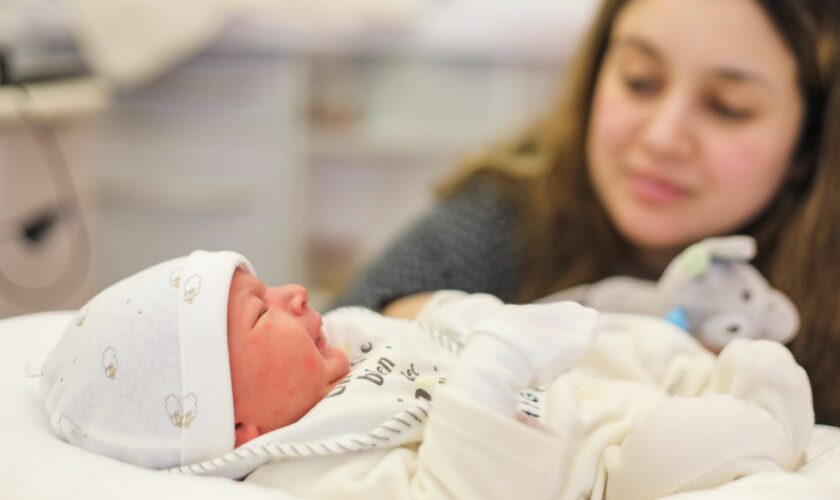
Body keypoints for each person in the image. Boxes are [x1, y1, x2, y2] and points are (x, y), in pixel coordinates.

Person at [332, 0, 840, 426]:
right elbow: (326, 350)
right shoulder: (499, 217)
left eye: (728, 106)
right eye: (640, 81)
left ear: (807, 147)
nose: (662, 138)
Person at [38, 250, 813, 499]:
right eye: (259, 312)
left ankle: (695, 368)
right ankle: (761, 421)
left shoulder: (342, 346)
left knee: (618, 341)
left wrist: (468, 318)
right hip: (584, 469)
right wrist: (498, 362)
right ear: (234, 425)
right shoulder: (314, 470)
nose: (296, 293)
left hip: (556, 392)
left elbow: (431, 322)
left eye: (269, 282)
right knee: (661, 453)